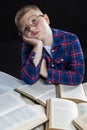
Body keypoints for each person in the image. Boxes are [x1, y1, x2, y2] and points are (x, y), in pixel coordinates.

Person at [15, 5, 85, 85]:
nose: (31, 29)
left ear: (46, 19)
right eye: (26, 29)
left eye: (34, 21)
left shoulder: (71, 39)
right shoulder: (27, 46)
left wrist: (46, 72)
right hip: (42, 93)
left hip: (65, 91)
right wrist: (38, 46)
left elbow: (77, 77)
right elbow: (28, 79)